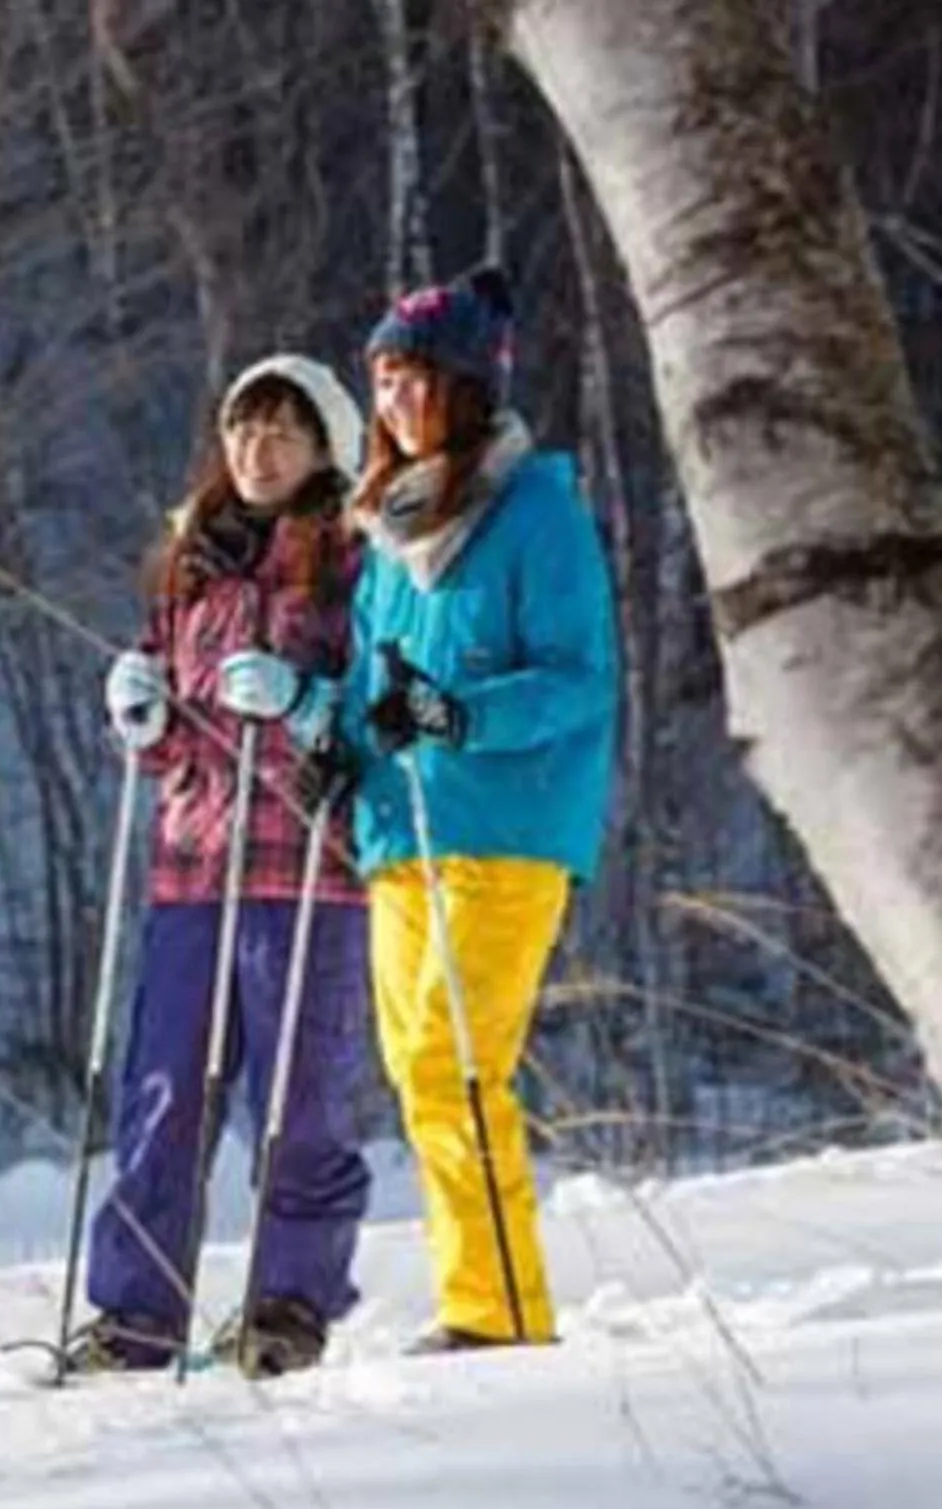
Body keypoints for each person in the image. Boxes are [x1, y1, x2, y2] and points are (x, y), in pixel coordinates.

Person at [67, 356, 378, 1378]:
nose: (259, 450)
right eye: (245, 430)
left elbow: (376, 711)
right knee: (163, 1093)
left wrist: (304, 701)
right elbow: (170, 739)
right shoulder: (191, 564)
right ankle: (135, 1314)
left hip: (307, 870)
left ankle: (289, 1303)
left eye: (284, 432)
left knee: (299, 1100)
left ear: (324, 448)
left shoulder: (353, 561)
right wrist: (142, 720)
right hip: (194, 867)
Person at [336, 266, 620, 1355]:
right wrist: (332, 739)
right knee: (419, 1071)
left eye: (416, 381)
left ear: (467, 387)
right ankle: (481, 1296)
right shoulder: (391, 528)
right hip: (400, 833)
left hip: (504, 831)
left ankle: (499, 1312)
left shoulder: (535, 510)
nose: (397, 403)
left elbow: (578, 678)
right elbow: (375, 685)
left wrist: (457, 716)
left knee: (459, 1061)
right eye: (384, 381)